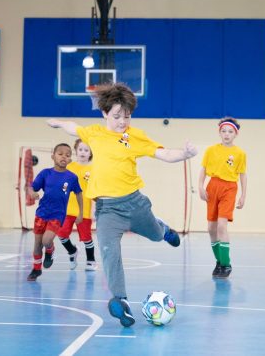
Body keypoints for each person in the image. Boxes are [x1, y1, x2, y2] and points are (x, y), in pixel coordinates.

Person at [47, 82, 197, 327]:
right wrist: (59, 123)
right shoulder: (95, 133)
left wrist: (185, 153)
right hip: (107, 211)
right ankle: (122, 302)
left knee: (156, 234)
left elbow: (164, 154)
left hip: (135, 204)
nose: (122, 121)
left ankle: (164, 230)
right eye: (117, 116)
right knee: (109, 254)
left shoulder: (135, 136)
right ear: (105, 113)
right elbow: (75, 128)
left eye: (127, 116)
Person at [26, 143, 83, 282]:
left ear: (70, 159)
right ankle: (36, 269)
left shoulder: (72, 177)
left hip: (57, 215)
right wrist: (32, 193)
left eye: (68, 155)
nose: (64, 157)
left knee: (46, 240)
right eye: (60, 154)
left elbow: (79, 194)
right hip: (42, 213)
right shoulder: (46, 173)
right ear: (53, 156)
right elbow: (31, 188)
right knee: (38, 243)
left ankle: (50, 250)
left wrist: (80, 213)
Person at [198, 117, 247, 279]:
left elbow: (243, 175)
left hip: (229, 188)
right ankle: (219, 261)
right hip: (213, 186)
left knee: (221, 226)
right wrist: (200, 186)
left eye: (230, 131)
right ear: (219, 132)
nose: (226, 134)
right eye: (224, 131)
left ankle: (226, 264)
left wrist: (243, 195)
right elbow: (203, 170)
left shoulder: (240, 153)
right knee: (211, 229)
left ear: (236, 134)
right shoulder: (211, 150)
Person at [57, 139, 98, 271]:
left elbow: (96, 190)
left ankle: (91, 261)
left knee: (86, 237)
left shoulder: (94, 169)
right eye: (80, 149)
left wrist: (97, 209)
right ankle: (72, 251)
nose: (83, 152)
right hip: (67, 208)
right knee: (62, 234)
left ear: (91, 153)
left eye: (86, 150)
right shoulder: (69, 167)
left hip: (84, 210)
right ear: (76, 150)